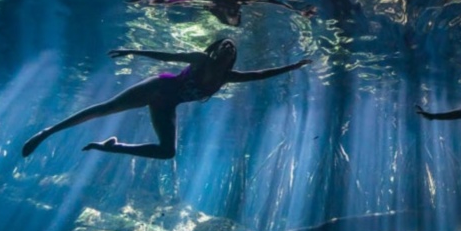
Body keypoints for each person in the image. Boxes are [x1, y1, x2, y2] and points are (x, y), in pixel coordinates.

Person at [22, 39, 310, 158]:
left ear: (232, 58)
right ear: (214, 51)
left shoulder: (227, 77)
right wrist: (132, 52)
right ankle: (47, 132)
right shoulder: (200, 60)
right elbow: (167, 56)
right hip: (156, 88)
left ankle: (111, 147)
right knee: (105, 108)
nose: (226, 50)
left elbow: (261, 73)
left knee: (167, 152)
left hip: (167, 105)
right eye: (223, 46)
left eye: (230, 50)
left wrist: (293, 67)